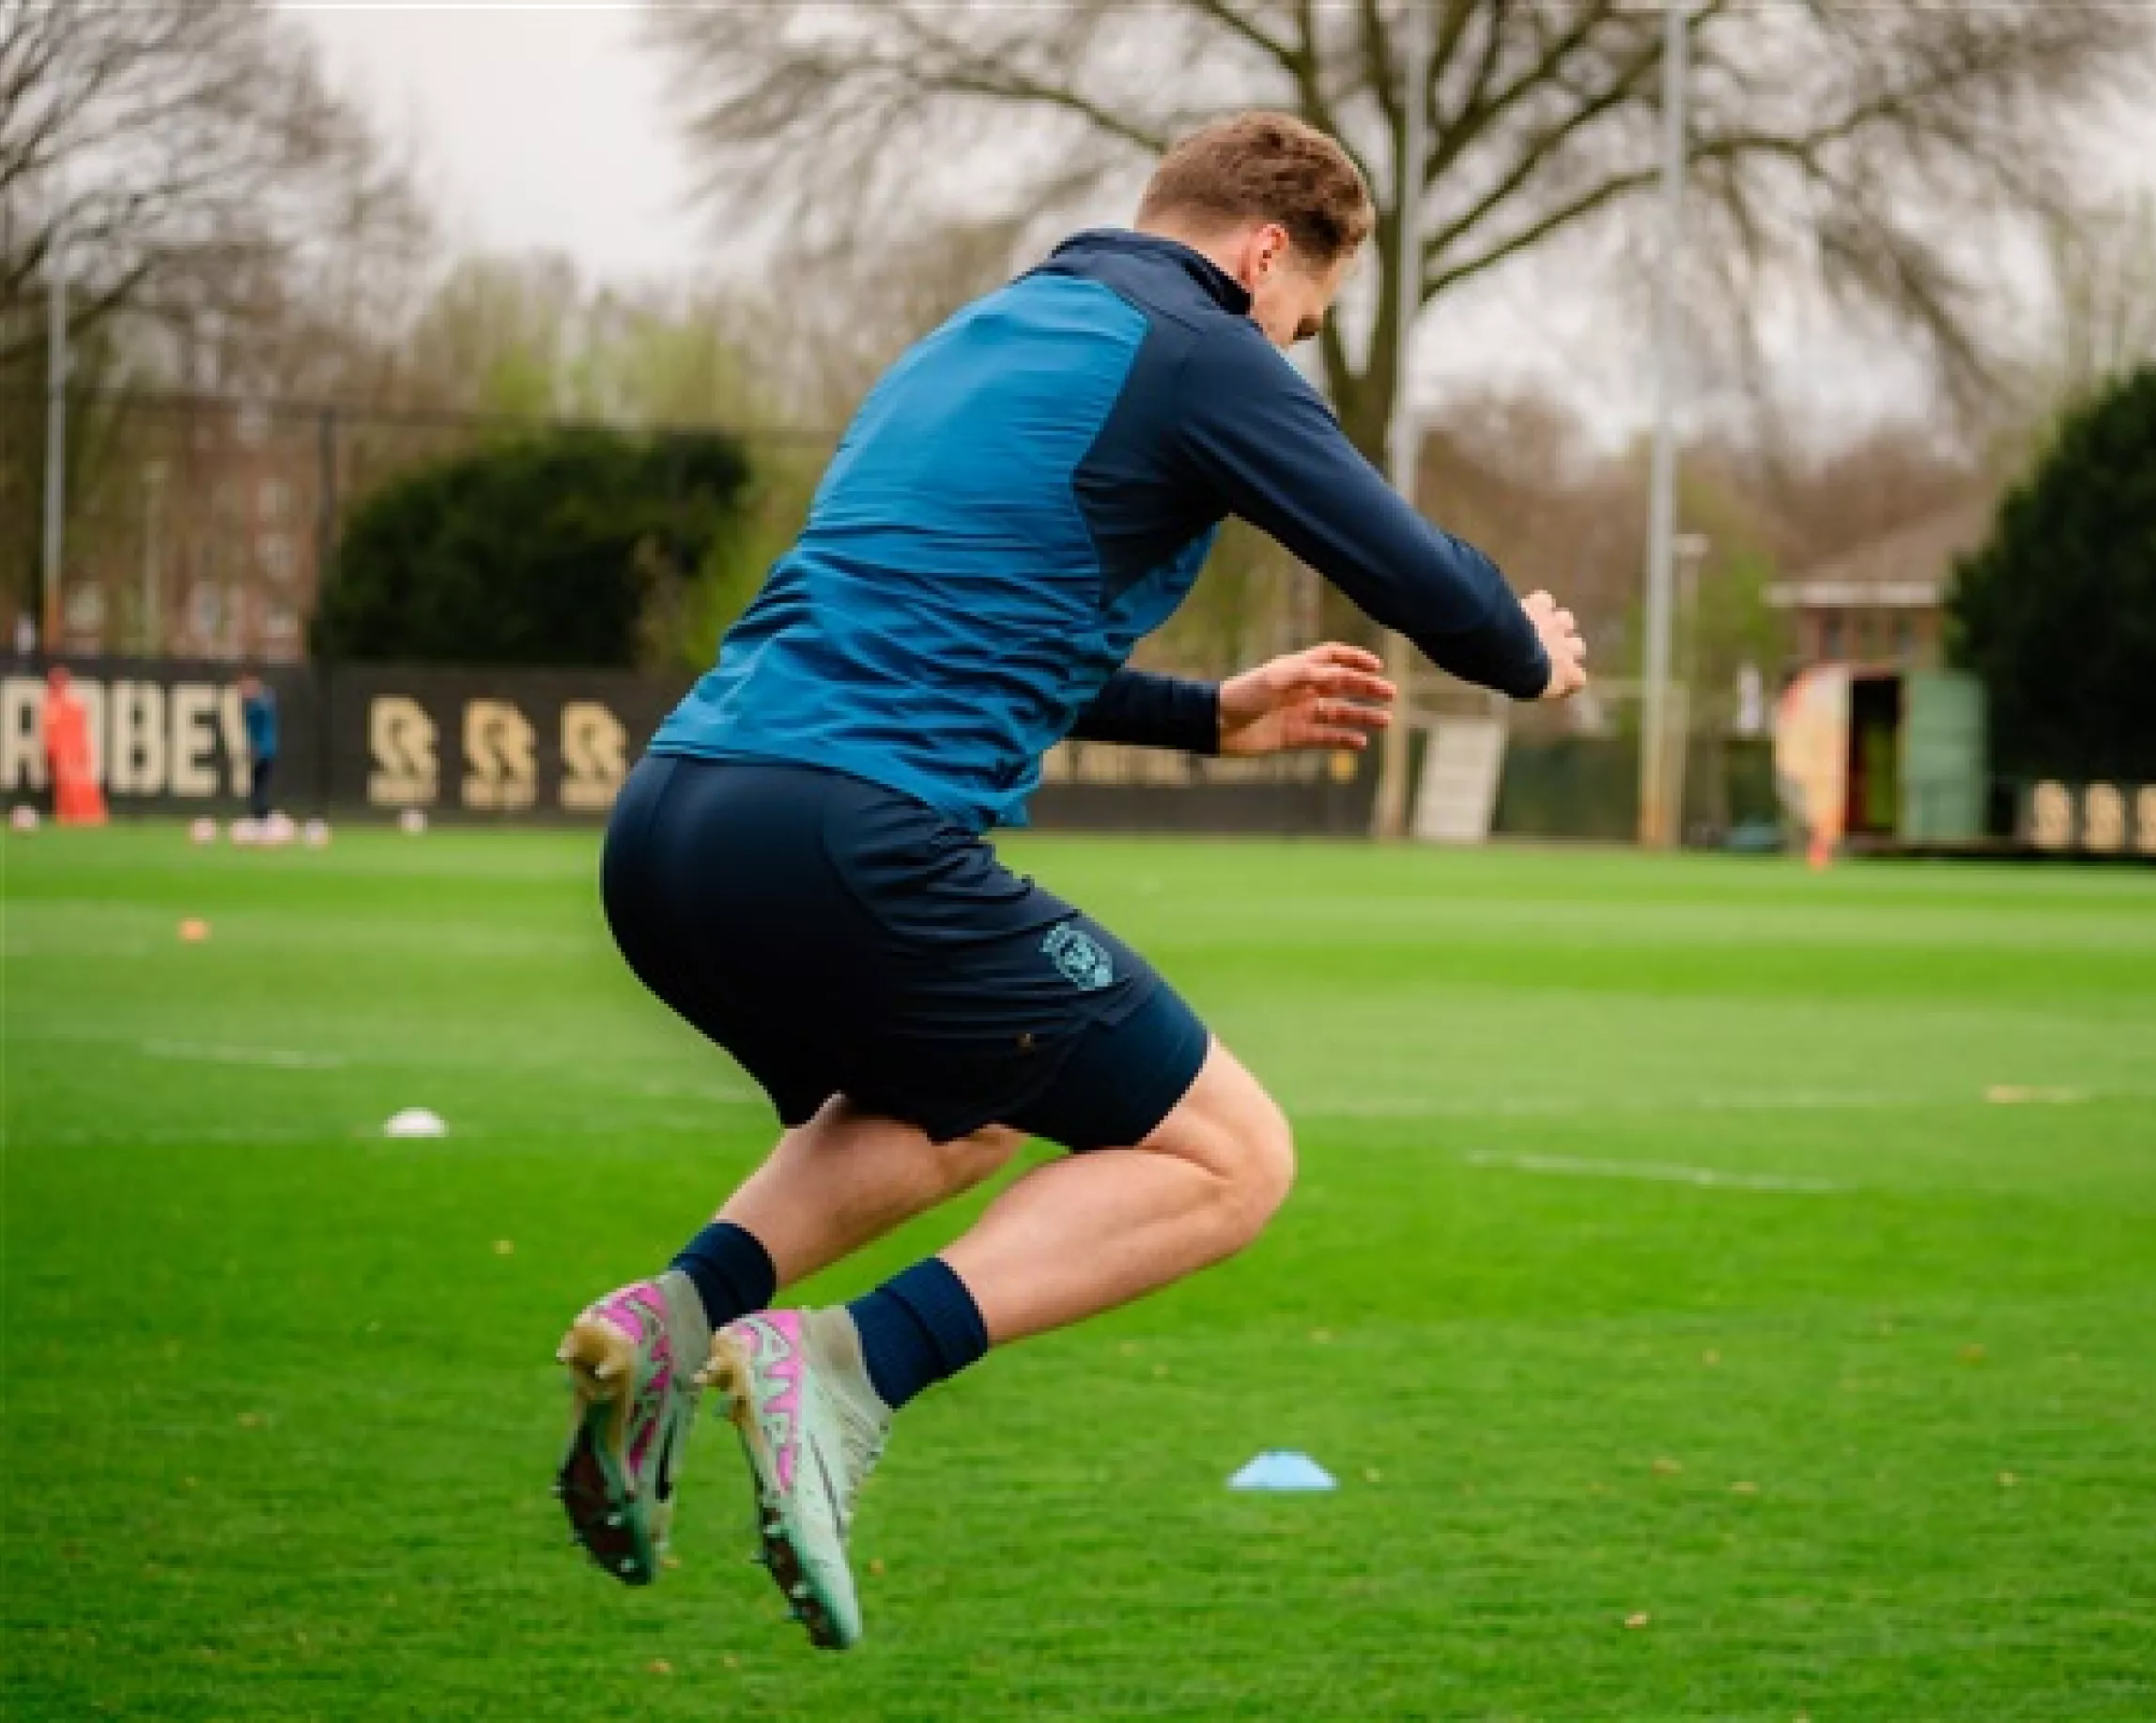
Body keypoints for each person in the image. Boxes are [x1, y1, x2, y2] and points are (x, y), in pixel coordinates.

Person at [554, 111, 1588, 1650]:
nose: (1294, 347)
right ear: (1262, 255)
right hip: (850, 833)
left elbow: (940, 615)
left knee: (966, 1109)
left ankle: (673, 1318)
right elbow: (1421, 580)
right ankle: (843, 1368)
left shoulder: (974, 339)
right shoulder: (1201, 344)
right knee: (1230, 1158)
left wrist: (1202, 716)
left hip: (676, 822)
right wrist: (1526, 648)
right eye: (1307, 315)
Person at [40, 667, 106, 826]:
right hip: (65, 753)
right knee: (65, 788)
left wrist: (82, 751)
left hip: (74, 752)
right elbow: (51, 733)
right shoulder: (53, 704)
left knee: (80, 787)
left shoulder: (71, 704)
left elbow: (78, 731)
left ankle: (89, 817)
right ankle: (69, 818)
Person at [236, 673, 279, 821]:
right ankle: (259, 817)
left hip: (264, 752)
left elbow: (267, 701)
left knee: (261, 786)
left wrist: (257, 749)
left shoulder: (260, 704)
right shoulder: (250, 706)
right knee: (256, 786)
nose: (243, 692)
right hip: (259, 751)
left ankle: (263, 818)